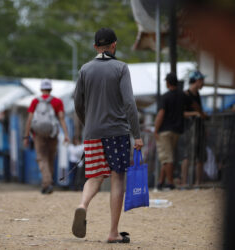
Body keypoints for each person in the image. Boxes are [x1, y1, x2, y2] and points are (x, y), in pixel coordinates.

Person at [72, 27, 143, 243]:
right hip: (117, 133)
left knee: (95, 175)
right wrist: (137, 134)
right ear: (114, 45)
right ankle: (113, 232)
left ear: (95, 47)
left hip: (92, 132)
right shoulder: (121, 68)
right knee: (117, 177)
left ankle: (82, 205)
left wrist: (88, 124)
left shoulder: (84, 70)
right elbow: (129, 103)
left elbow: (77, 103)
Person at [23, 79, 70, 194]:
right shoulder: (57, 101)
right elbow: (61, 118)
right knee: (50, 158)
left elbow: (29, 119)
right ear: (51, 89)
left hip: (38, 134)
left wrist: (26, 136)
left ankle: (46, 183)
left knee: (41, 157)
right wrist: (66, 134)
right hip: (53, 133)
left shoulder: (35, 101)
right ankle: (48, 183)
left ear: (41, 89)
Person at [154, 72, 191, 190]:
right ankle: (160, 182)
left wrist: (155, 129)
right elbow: (193, 104)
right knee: (166, 157)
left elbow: (161, 114)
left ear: (168, 82)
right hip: (177, 130)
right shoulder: (182, 95)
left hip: (165, 130)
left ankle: (170, 183)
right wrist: (200, 113)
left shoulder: (165, 96)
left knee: (167, 158)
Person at [180, 70, 208, 186]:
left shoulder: (198, 95)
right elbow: (182, 113)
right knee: (187, 156)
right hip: (189, 129)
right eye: (202, 81)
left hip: (199, 129)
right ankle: (184, 182)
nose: (203, 83)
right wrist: (195, 115)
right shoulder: (186, 95)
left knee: (200, 157)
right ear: (197, 81)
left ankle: (198, 183)